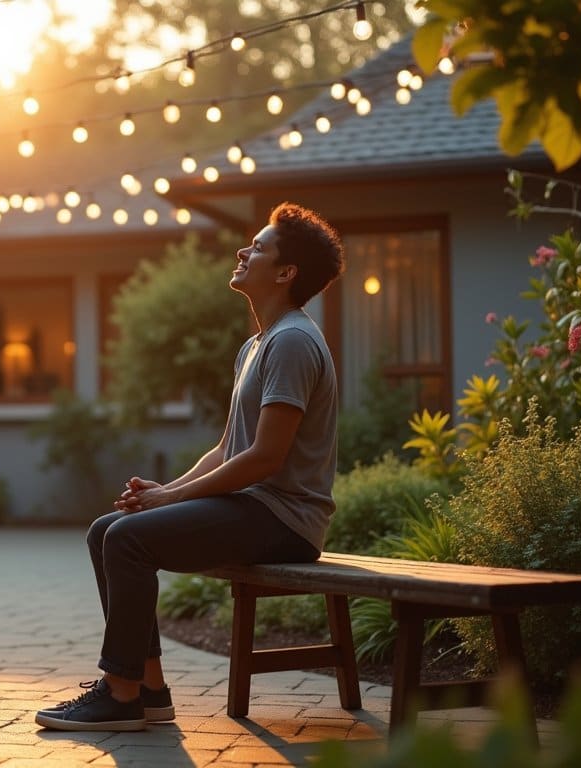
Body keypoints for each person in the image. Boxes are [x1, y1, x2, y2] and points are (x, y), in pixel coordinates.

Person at [35, 201, 347, 732]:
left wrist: (171, 500)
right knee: (106, 530)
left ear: (285, 273)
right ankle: (149, 691)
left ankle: (120, 694)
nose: (243, 251)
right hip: (256, 508)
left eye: (258, 248)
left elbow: (265, 457)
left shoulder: (293, 341)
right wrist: (164, 490)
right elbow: (228, 447)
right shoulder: (257, 344)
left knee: (126, 540)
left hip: (285, 519)